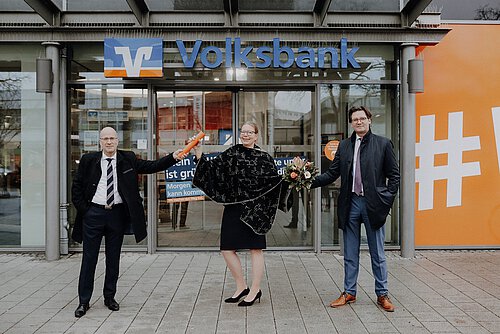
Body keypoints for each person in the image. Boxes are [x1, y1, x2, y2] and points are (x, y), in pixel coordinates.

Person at [71, 126, 184, 317]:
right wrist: (87, 211)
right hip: (94, 215)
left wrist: (173, 157)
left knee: (113, 260)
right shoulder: (89, 160)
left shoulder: (128, 158)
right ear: (100, 142)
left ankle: (109, 297)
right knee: (89, 259)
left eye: (112, 138)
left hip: (117, 215)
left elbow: (151, 166)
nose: (108, 142)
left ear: (117, 141)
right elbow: (77, 188)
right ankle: (84, 301)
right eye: (105, 138)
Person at [311, 106, 400, 312]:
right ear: (351, 123)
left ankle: (382, 294)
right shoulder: (344, 146)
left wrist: (386, 200)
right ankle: (349, 292)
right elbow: (332, 174)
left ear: (369, 120)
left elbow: (394, 175)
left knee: (377, 253)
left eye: (362, 118)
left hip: (373, 205)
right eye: (354, 119)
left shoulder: (383, 144)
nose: (358, 122)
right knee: (350, 253)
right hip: (350, 204)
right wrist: (309, 181)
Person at [191, 121, 282, 307]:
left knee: (255, 249)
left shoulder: (265, 158)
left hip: (256, 210)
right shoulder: (232, 153)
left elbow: (275, 183)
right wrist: (199, 153)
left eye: (250, 132)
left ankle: (255, 289)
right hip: (234, 207)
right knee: (226, 249)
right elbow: (213, 170)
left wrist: (295, 177)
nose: (246, 135)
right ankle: (241, 287)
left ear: (257, 136)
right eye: (243, 132)